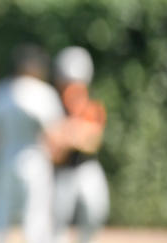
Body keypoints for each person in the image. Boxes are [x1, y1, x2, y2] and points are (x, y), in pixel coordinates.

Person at [0, 44, 65, 243]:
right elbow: (54, 135)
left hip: (2, 160)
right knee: (36, 221)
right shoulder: (44, 94)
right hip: (35, 161)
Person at [48, 46, 109, 243]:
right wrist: (75, 134)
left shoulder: (92, 107)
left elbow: (93, 142)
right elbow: (55, 152)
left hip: (86, 168)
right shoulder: (52, 106)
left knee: (95, 212)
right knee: (57, 222)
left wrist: (68, 134)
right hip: (62, 172)